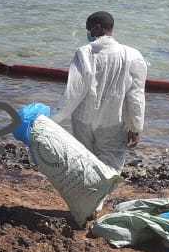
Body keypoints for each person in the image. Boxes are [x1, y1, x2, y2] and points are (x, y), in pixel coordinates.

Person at [54, 11, 148, 172]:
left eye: (88, 29)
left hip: (83, 120)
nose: (88, 34)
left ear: (97, 28)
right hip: (113, 122)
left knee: (83, 165)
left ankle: (84, 188)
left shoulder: (84, 53)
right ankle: (101, 189)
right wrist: (135, 127)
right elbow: (136, 96)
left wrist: (53, 120)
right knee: (110, 168)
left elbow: (73, 92)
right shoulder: (132, 55)